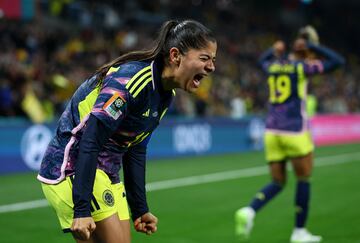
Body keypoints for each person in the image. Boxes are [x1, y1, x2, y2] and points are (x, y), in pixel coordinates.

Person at [37, 19, 217, 243]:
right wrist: (81, 209)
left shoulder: (164, 95)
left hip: (105, 172)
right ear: (175, 55)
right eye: (204, 58)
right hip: (71, 167)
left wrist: (140, 208)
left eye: (213, 60)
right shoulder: (131, 81)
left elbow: (136, 148)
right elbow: (90, 140)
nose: (211, 67)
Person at [235, 37, 344, 243]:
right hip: (294, 131)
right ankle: (299, 232)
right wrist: (313, 46)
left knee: (278, 182)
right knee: (304, 179)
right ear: (304, 53)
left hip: (272, 131)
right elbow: (338, 61)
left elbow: (260, 61)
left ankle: (249, 211)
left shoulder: (273, 65)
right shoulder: (301, 68)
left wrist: (272, 49)